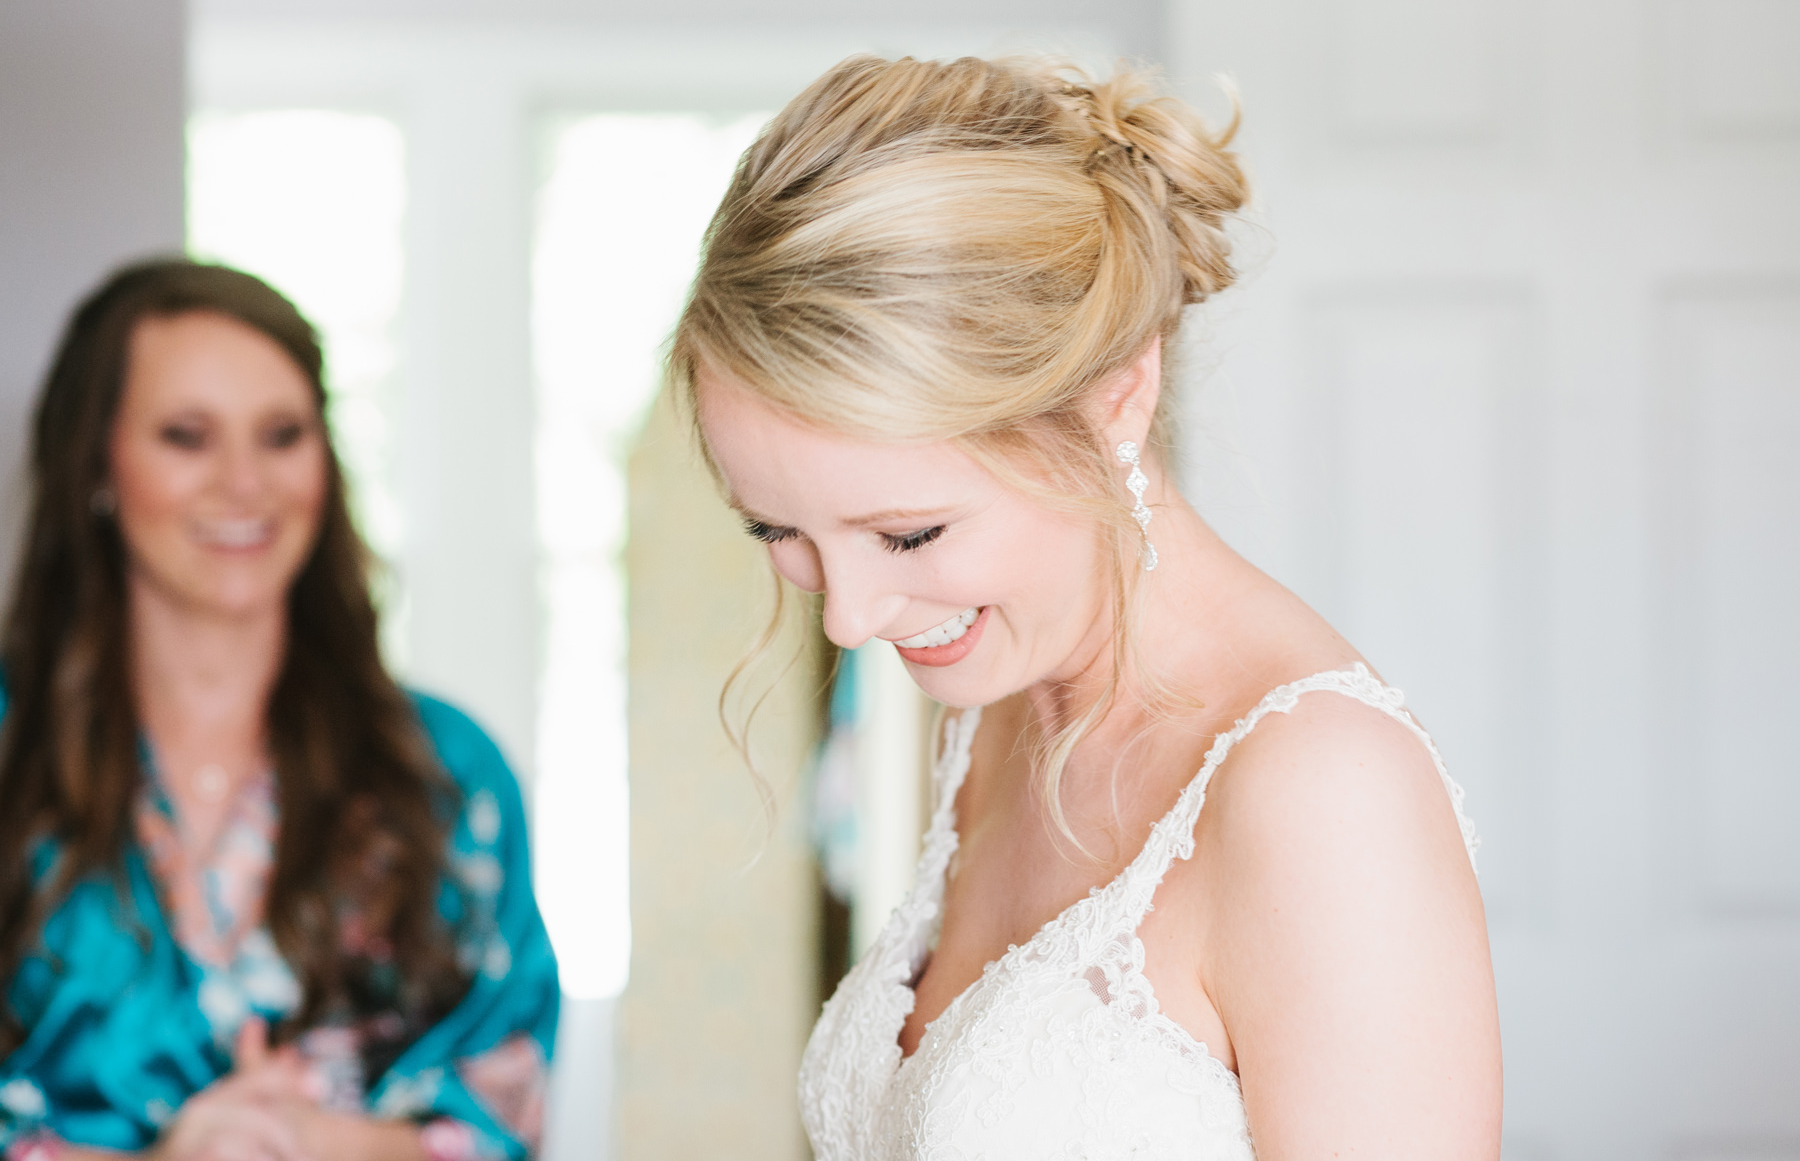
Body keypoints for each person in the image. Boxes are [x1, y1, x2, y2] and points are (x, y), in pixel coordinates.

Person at [672, 56, 1503, 1158]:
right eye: (776, 531)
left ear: (1117, 397)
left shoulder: (1319, 792)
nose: (850, 618)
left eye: (910, 533)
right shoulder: (997, 698)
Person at [0, 260, 558, 1161]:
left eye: (282, 435)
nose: (245, 482)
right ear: (96, 464)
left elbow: (502, 1108)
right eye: (188, 436)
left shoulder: (447, 774)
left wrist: (307, 1142)